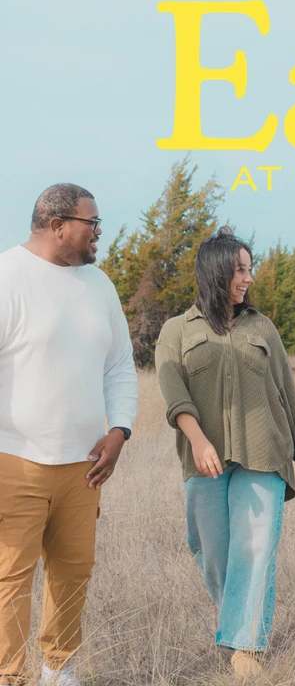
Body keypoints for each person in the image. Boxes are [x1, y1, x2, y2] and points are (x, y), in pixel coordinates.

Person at [155, 228, 295, 679]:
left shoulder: (261, 326)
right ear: (216, 271)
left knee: (255, 546)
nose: (248, 277)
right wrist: (198, 439)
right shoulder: (176, 331)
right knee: (210, 548)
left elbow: (285, 388)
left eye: (249, 268)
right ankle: (237, 624)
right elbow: (174, 395)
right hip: (203, 457)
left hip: (265, 451)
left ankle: (247, 647)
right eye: (240, 269)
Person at [0, 184, 138, 686]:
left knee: (73, 574)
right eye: (91, 223)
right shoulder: (7, 276)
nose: (99, 232)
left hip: (84, 467)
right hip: (14, 461)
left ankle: (59, 671)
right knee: (10, 581)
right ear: (57, 225)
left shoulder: (99, 285)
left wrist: (119, 430)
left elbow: (120, 366)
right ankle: (11, 677)